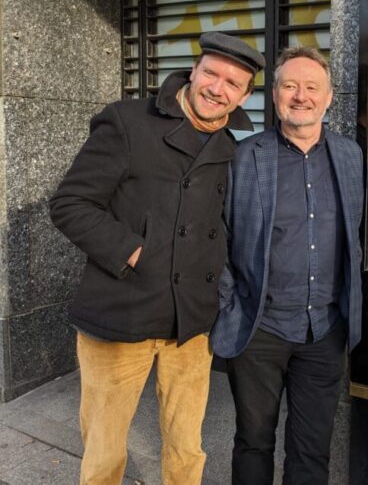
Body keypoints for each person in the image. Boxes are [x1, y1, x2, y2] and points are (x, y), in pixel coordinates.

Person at [49, 32, 263, 484]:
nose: (216, 88)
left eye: (232, 83)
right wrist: (132, 251)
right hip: (122, 311)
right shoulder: (128, 122)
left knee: (187, 448)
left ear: (244, 95)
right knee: (105, 452)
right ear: (194, 71)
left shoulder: (235, 149)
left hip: (192, 324)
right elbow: (70, 203)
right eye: (211, 73)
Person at [209, 47, 364, 484]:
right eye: (290, 86)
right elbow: (218, 236)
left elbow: (354, 237)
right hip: (259, 328)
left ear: (328, 97)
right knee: (253, 441)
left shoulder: (350, 157)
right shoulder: (242, 157)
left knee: (312, 451)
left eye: (312, 87)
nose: (301, 96)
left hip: (324, 332)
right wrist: (228, 305)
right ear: (274, 95)